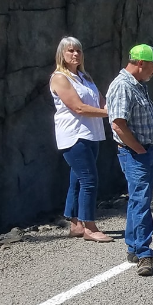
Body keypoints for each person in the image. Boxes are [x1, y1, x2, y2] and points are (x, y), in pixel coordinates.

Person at [106, 44, 153, 276]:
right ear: (140, 63)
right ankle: (144, 254)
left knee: (138, 200)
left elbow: (138, 118)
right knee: (140, 202)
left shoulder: (137, 85)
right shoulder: (123, 86)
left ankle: (135, 248)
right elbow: (118, 124)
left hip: (143, 151)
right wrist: (139, 150)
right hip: (136, 153)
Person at [49, 36, 111, 242]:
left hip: (92, 134)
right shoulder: (59, 78)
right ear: (62, 54)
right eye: (70, 50)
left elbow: (101, 102)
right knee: (89, 180)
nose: (75, 54)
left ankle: (76, 224)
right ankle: (89, 227)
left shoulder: (85, 77)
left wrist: (114, 109)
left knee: (77, 180)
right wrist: (111, 113)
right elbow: (79, 108)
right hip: (74, 135)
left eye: (78, 50)